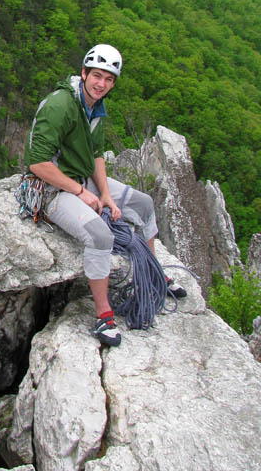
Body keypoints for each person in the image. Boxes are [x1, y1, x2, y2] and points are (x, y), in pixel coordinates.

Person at [25, 44, 185, 347]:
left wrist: (107, 196)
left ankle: (153, 276)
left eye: (108, 79)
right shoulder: (60, 106)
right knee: (100, 236)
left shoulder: (94, 106)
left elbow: (97, 154)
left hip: (82, 178)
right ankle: (103, 317)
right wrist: (81, 192)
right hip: (50, 188)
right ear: (84, 74)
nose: (101, 84)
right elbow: (38, 163)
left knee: (144, 205)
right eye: (96, 76)